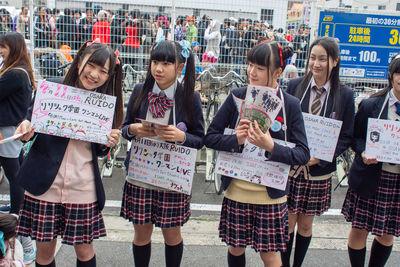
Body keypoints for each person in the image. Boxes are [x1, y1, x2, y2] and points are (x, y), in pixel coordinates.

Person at [14, 40, 124, 267]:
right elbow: (29, 122)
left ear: (109, 75)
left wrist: (108, 142)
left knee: (85, 252)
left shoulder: (104, 104)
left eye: (103, 71)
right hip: (44, 185)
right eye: (91, 65)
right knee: (44, 254)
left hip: (82, 187)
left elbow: (100, 150)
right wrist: (25, 128)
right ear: (79, 60)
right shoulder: (52, 88)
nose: (94, 74)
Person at [204, 41, 310, 267]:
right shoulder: (237, 96)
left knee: (270, 255)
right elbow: (210, 137)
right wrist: (236, 139)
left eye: (260, 68)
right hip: (236, 190)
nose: (252, 72)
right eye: (250, 65)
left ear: (278, 72)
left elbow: (302, 154)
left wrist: (271, 146)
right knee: (235, 247)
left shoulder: (289, 104)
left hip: (271, 193)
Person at [120, 40, 204, 267]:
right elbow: (124, 129)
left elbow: (201, 139)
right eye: (155, 61)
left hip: (172, 175)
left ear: (180, 67)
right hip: (141, 172)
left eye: (166, 63)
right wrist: (134, 129)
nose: (158, 68)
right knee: (141, 234)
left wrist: (182, 137)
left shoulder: (189, 96)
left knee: (172, 234)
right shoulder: (140, 91)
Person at [282, 36, 355, 267]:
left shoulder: (345, 95)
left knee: (305, 224)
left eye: (322, 59)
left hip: (319, 170)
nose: (316, 63)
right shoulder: (295, 87)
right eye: (313, 57)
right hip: (293, 167)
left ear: (334, 61)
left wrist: (322, 156)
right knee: (288, 222)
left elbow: (347, 136)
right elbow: (284, 124)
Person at [342, 53, 400, 267]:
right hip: (371, 176)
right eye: (398, 72)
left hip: (396, 182)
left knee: (387, 232)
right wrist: (364, 152)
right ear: (391, 75)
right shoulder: (371, 104)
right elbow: (354, 137)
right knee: (359, 229)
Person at [0, 32, 37, 265]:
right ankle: (17, 212)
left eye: (2, 47)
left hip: (7, 129)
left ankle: (16, 215)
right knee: (16, 172)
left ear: (12, 48)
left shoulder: (13, 73)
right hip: (15, 128)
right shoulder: (21, 69)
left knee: (14, 174)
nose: (0, 51)